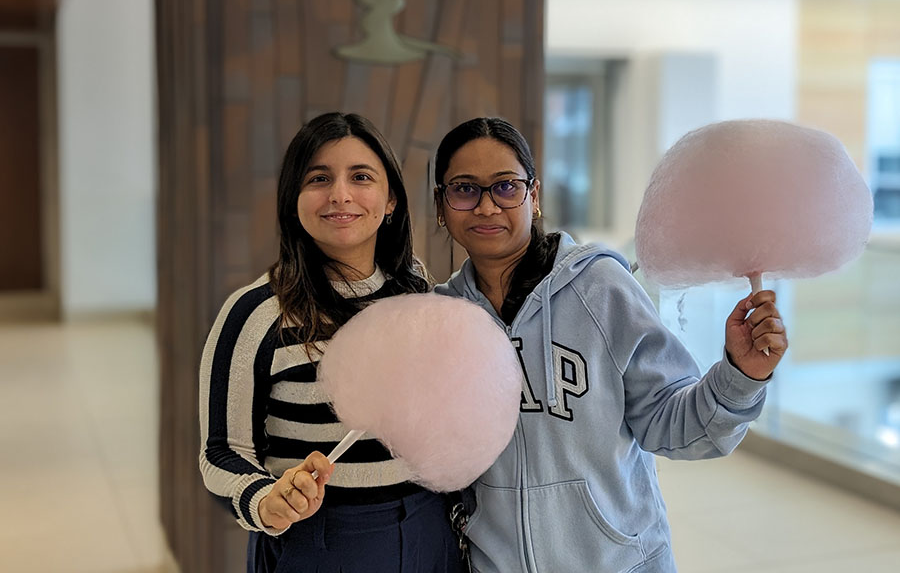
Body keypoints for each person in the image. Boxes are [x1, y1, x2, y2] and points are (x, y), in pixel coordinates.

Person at [432, 117, 788, 573]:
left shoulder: (599, 287)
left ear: (533, 196)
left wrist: (741, 374)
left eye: (505, 187)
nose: (486, 207)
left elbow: (672, 424)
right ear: (441, 205)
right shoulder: (442, 317)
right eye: (464, 189)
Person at [199, 112, 465, 573]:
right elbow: (221, 453)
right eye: (319, 178)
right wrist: (266, 499)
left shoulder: (418, 292)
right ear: (293, 200)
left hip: (429, 528)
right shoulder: (256, 312)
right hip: (320, 541)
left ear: (391, 202)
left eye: (361, 177)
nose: (340, 194)